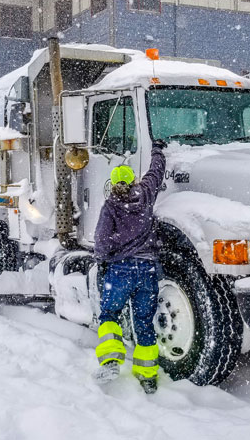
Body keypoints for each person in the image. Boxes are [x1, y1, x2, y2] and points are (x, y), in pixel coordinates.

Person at [93, 139, 167, 394]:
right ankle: (147, 376)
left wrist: (109, 253)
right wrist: (158, 150)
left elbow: (101, 243)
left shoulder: (111, 206)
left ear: (113, 185)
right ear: (134, 180)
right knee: (144, 322)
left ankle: (112, 360)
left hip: (120, 270)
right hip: (147, 271)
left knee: (109, 315)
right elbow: (156, 172)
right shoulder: (146, 194)